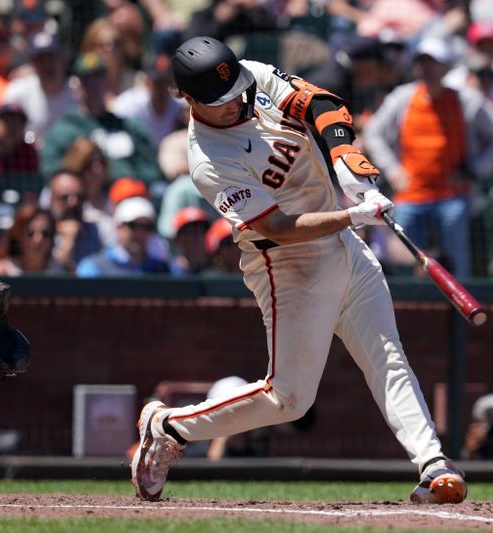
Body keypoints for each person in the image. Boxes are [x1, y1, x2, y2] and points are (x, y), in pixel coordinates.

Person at [129, 35, 467, 505]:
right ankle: (169, 425)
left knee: (387, 355)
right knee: (288, 398)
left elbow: (321, 103)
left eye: (235, 94)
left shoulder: (252, 76)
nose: (235, 104)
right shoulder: (208, 160)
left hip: (344, 246)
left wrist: (344, 154)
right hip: (288, 267)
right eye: (220, 102)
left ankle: (433, 464)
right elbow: (280, 228)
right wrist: (353, 215)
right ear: (188, 99)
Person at [364, 38, 493, 277]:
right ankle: (410, 309)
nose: (427, 69)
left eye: (433, 63)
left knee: (457, 265)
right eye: (422, 63)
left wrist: (476, 168)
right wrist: (393, 170)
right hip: (411, 194)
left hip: (453, 196)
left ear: (446, 67)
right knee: (407, 262)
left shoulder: (465, 100)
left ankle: (459, 309)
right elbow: (373, 132)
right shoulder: (403, 97)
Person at [40, 52, 163, 184]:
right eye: (86, 80)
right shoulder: (62, 131)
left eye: (98, 78)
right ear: (76, 86)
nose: (93, 85)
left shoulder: (129, 127)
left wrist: (127, 181)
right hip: (81, 198)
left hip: (126, 194)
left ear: (108, 83)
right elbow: (50, 170)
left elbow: (151, 170)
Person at [0, 30, 79, 145]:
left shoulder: (78, 91)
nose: (48, 65)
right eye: (41, 59)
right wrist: (31, 142)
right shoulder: (18, 91)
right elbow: (6, 131)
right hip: (29, 157)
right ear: (32, 63)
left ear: (63, 58)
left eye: (52, 57)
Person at [76, 196, 170, 277]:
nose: (140, 232)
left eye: (147, 227)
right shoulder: (92, 268)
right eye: (134, 225)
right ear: (118, 227)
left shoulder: (163, 269)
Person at [46, 169, 104, 273]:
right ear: (52, 200)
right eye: (65, 197)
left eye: (79, 196)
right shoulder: (39, 233)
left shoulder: (96, 231)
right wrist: (67, 242)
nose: (73, 202)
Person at [0, 203, 59, 276]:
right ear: (18, 235)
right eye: (30, 233)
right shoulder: (0, 273)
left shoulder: (61, 272)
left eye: (45, 233)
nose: (38, 239)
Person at [169, 206, 211, 276]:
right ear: (177, 240)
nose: (197, 239)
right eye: (190, 233)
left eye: (201, 232)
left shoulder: (219, 271)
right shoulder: (169, 271)